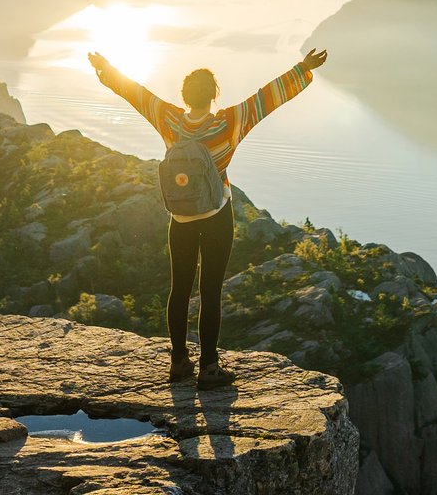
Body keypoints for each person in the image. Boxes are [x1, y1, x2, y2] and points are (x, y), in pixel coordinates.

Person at [88, 47, 328, 387]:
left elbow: (136, 93)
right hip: (217, 215)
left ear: (184, 97)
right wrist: (303, 68)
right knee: (210, 290)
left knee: (180, 289)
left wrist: (105, 67)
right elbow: (266, 98)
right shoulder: (229, 122)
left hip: (181, 218)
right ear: (214, 96)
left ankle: (178, 362)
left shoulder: (169, 119)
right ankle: (210, 367)